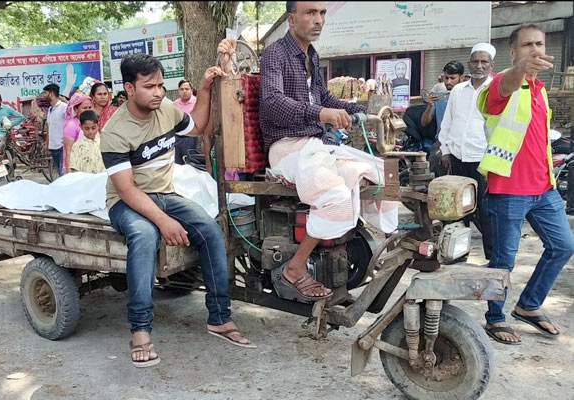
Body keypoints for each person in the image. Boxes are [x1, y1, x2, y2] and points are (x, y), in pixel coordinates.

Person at [101, 53, 254, 368]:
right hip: (125, 202)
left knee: (211, 230)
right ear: (129, 88)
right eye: (149, 86)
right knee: (145, 236)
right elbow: (127, 189)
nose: (158, 92)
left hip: (165, 194)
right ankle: (141, 331)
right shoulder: (114, 132)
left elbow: (197, 126)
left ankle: (219, 318)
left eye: (160, 85)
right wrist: (164, 222)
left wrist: (206, 88)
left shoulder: (167, 109)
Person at [250, 1, 391, 300]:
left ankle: (377, 245)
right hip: (286, 148)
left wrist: (359, 109)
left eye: (322, 13)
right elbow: (273, 102)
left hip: (315, 146)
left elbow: (324, 96)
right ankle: (295, 268)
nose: (318, 20)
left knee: (380, 171)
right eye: (311, 13)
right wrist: (320, 114)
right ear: (291, 19)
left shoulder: (311, 55)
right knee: (335, 196)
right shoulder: (276, 53)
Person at [478, 24, 574, 345]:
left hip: (543, 188)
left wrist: (551, 182)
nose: (535, 49)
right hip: (509, 189)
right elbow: (505, 86)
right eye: (527, 45)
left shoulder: (541, 90)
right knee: (504, 260)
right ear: (513, 52)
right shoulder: (497, 87)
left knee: (563, 246)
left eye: (540, 43)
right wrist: (518, 70)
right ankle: (495, 317)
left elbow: (539, 142)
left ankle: (528, 306)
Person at [437, 43, 496, 262]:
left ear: (491, 65)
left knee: (486, 210)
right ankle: (457, 254)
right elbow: (448, 123)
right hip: (457, 157)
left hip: (483, 160)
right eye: (475, 61)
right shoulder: (458, 91)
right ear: (470, 63)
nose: (479, 66)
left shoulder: (496, 90)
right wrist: (444, 150)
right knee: (456, 209)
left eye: (484, 62)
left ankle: (492, 257)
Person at [422, 61, 465, 132]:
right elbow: (424, 123)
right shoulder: (439, 98)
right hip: (441, 139)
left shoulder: (468, 97)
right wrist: (429, 106)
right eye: (446, 78)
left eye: (452, 78)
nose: (448, 82)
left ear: (462, 78)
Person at [62, 93, 93, 173]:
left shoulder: (92, 123)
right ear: (75, 109)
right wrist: (70, 174)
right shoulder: (71, 125)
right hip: (77, 168)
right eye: (84, 108)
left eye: (90, 107)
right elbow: (68, 151)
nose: (88, 110)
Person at [42, 83, 68, 177]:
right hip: (53, 146)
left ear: (51, 93)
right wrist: (47, 143)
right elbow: (50, 128)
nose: (44, 95)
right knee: (58, 170)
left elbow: (69, 125)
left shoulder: (64, 107)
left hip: (62, 146)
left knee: (63, 172)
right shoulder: (50, 109)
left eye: (46, 93)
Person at [172, 79, 199, 165]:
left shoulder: (197, 102)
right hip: (177, 137)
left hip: (190, 137)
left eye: (187, 89)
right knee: (177, 164)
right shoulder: (175, 104)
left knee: (190, 163)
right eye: (182, 89)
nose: (184, 91)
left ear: (191, 90)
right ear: (179, 91)